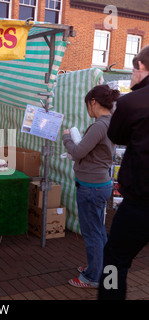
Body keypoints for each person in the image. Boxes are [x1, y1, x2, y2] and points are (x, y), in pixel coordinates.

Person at [99, 46, 149, 300]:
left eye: (133, 69)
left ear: (141, 66)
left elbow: (117, 135)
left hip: (140, 203)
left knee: (114, 260)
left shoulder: (132, 101)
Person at [62, 85, 120, 288]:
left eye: (87, 104)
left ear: (93, 102)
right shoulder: (111, 122)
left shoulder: (99, 125)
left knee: (92, 233)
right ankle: (99, 269)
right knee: (99, 231)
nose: (87, 109)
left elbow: (78, 152)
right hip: (100, 183)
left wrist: (67, 137)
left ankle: (94, 277)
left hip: (91, 187)